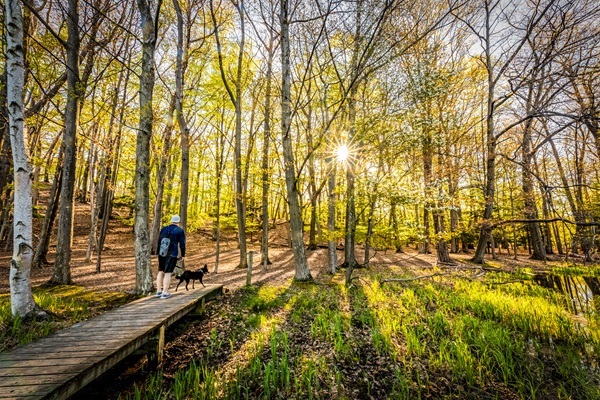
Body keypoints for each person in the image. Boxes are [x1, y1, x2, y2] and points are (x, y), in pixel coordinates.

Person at [155, 215, 186, 299]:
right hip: (172, 253)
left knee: (160, 271)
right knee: (168, 273)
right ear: (178, 221)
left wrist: (158, 252)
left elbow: (159, 241)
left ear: (171, 220)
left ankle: (158, 291)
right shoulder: (179, 230)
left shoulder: (164, 229)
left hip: (162, 252)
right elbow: (182, 244)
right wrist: (183, 255)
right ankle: (165, 292)